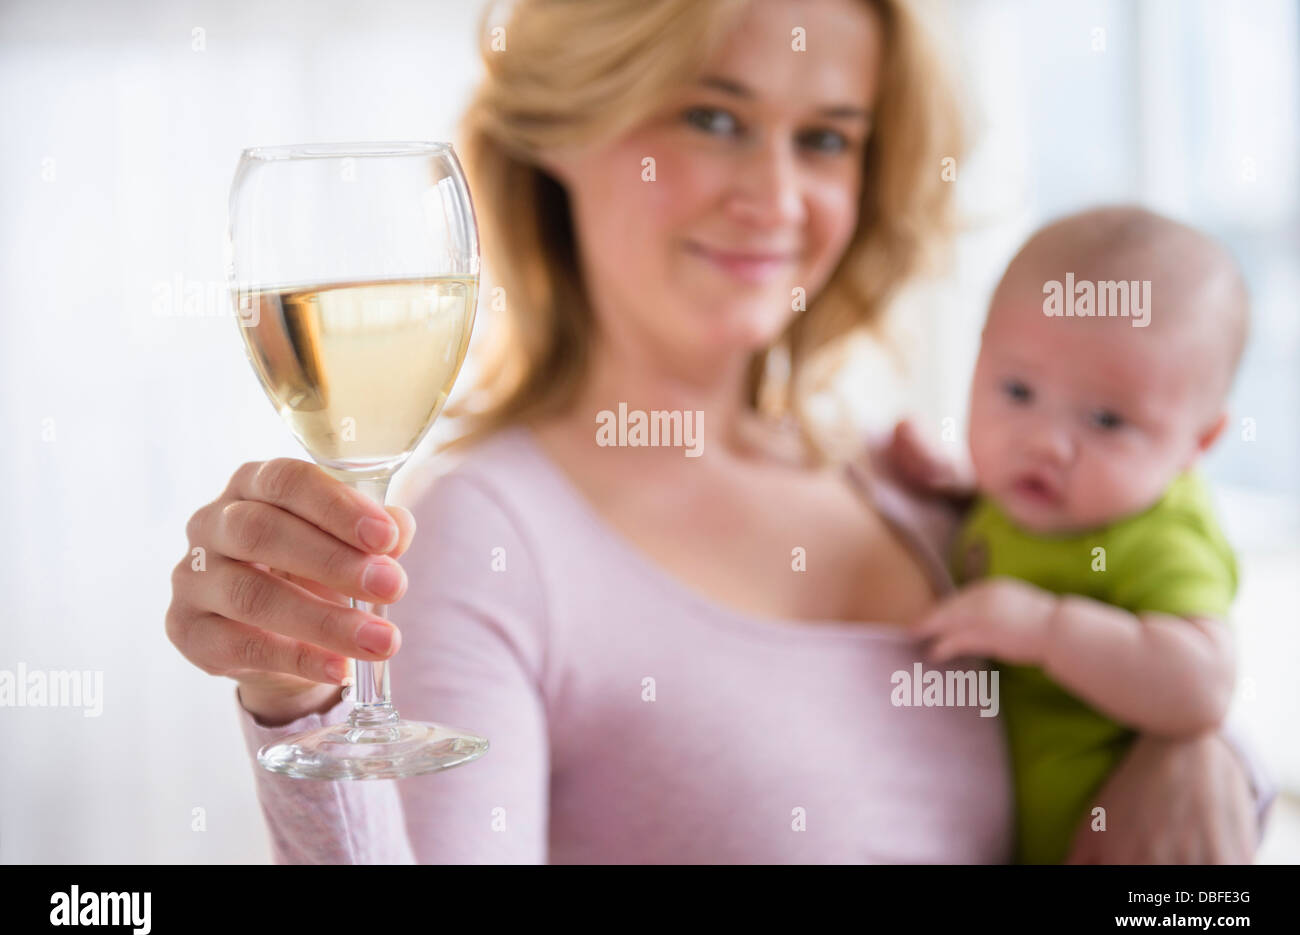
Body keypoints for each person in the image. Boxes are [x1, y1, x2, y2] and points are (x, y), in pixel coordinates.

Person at [166, 0, 1270, 863]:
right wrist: (299, 710)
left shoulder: (919, 491)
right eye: (712, 117)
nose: (775, 195)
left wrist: (1201, 749)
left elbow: (1157, 732)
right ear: (565, 123)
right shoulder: (497, 539)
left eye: (827, 138)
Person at [911, 206, 1249, 863]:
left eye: (1105, 419)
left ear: (1197, 441)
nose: (1045, 443)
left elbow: (1203, 683)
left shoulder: (1157, 535)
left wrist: (1045, 629)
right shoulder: (1026, 499)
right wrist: (946, 484)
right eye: (1016, 390)